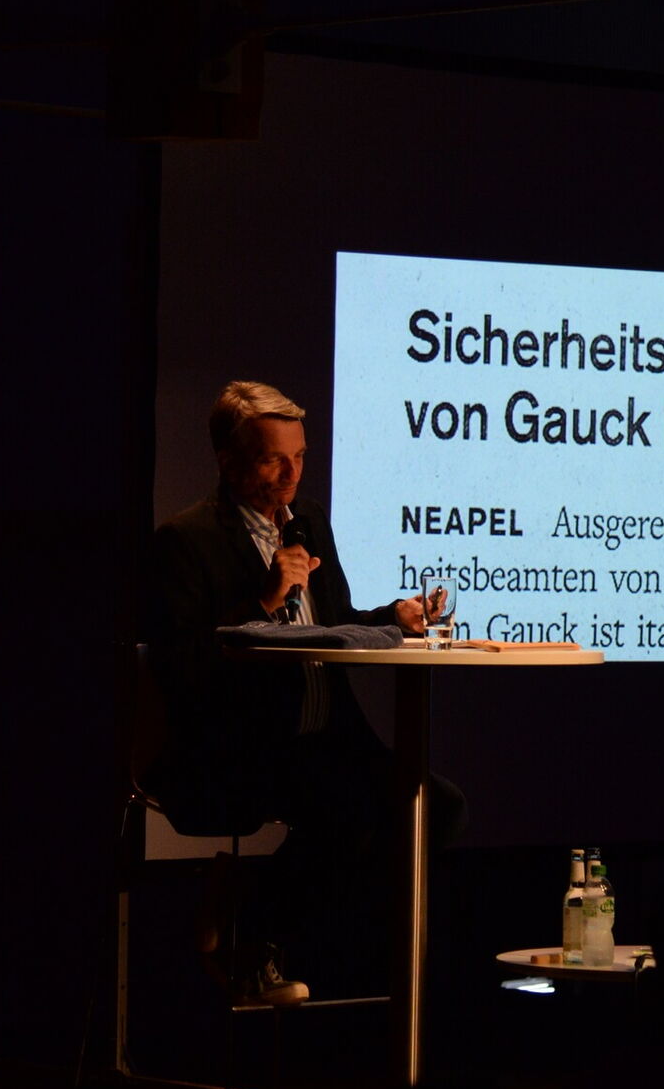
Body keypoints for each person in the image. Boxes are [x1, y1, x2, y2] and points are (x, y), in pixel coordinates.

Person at [143, 380, 463, 1005]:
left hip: (330, 736)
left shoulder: (309, 521)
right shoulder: (186, 540)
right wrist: (263, 600)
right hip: (245, 744)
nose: (291, 475)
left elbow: (332, 624)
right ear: (228, 461)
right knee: (349, 809)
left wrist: (393, 618)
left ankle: (254, 908)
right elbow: (183, 671)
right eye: (273, 460)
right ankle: (258, 940)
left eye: (300, 456)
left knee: (439, 808)